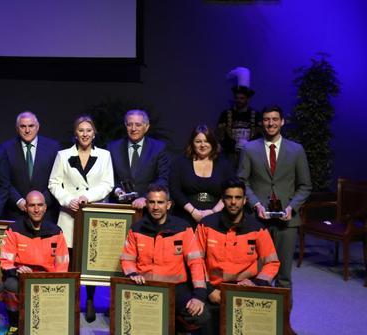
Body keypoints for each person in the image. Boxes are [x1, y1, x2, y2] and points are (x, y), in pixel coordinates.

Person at [47, 115, 113, 322]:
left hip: (93, 215)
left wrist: (88, 198)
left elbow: (107, 183)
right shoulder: (63, 155)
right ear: (75, 133)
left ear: (94, 134)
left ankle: (91, 300)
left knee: (91, 260)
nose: (85, 134)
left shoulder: (105, 155)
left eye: (88, 130)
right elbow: (54, 183)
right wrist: (68, 200)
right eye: (81, 130)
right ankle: (70, 301)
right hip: (69, 215)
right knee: (70, 259)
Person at [238, 106, 311, 290]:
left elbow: (305, 185)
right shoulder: (249, 149)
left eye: (275, 119)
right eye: (267, 119)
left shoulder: (296, 150)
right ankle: (259, 317)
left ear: (282, 121)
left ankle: (283, 319)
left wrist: (291, 207)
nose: (271, 123)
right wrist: (255, 204)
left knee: (284, 275)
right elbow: (242, 181)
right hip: (258, 219)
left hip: (287, 221)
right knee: (257, 273)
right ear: (262, 122)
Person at [120, 185, 209, 334]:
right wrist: (132, 274)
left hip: (176, 288)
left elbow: (196, 262)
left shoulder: (183, 228)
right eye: (152, 202)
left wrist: (199, 295)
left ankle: (177, 326)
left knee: (201, 316)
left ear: (168, 205)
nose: (156, 207)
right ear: (146, 204)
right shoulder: (136, 228)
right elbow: (127, 259)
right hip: (146, 286)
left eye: (160, 202)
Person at [196, 178, 279, 333]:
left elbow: (272, 263)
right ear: (223, 200)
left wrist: (256, 283)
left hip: (246, 289)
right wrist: (208, 290)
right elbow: (196, 261)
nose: (233, 202)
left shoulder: (257, 228)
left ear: (245, 200)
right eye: (229, 197)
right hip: (214, 290)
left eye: (238, 198)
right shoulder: (206, 225)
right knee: (205, 323)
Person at [0, 191, 68, 334]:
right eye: (32, 205)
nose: (36, 209)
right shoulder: (14, 230)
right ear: (26, 207)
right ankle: (15, 323)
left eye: (39, 205)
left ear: (45, 207)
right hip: (21, 278)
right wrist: (17, 271)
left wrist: (54, 284)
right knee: (9, 285)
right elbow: (5, 262)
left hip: (47, 279)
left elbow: (62, 265)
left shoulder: (56, 232)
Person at [169, 125, 236, 227]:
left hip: (217, 215)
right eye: (198, 141)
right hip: (185, 215)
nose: (203, 145)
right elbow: (175, 190)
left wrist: (213, 211)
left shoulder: (224, 163)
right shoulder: (180, 162)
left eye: (206, 141)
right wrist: (193, 211)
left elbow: (230, 190)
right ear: (192, 143)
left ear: (212, 143)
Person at [3, 111, 62, 222]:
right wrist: (18, 201)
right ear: (17, 128)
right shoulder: (6, 148)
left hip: (46, 212)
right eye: (23, 126)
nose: (27, 130)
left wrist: (41, 203)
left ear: (37, 127)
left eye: (31, 126)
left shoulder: (53, 147)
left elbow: (58, 179)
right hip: (17, 212)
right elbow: (4, 181)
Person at [108, 109, 170, 209]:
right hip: (120, 208)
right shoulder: (113, 148)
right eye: (129, 124)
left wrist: (146, 198)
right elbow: (107, 177)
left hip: (148, 208)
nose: (133, 128)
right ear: (125, 125)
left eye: (138, 125)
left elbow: (162, 179)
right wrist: (117, 190)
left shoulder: (158, 148)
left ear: (146, 127)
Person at [216, 68, 262, 157]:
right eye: (237, 98)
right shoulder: (226, 114)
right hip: (230, 155)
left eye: (242, 98)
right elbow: (220, 135)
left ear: (247, 99)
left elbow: (260, 136)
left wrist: (248, 145)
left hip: (251, 155)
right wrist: (233, 145)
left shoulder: (256, 115)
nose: (239, 100)